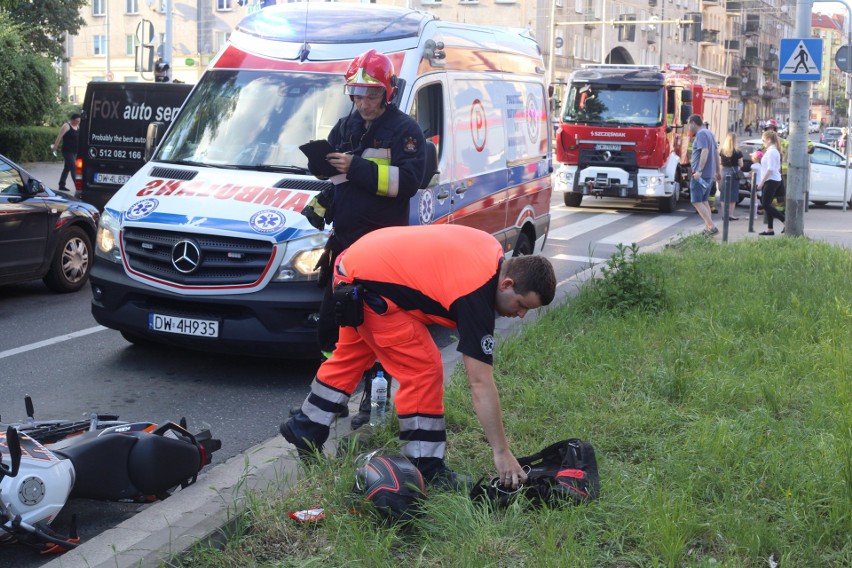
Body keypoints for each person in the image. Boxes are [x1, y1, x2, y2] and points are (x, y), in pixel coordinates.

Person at [280, 224, 557, 490]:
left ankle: (307, 425)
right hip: (368, 284)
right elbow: (480, 384)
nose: (521, 314)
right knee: (424, 370)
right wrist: (502, 452)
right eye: (522, 305)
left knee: (352, 356)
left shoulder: (490, 252)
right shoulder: (475, 294)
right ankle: (425, 464)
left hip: (354, 264)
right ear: (507, 283)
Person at [306, 49, 427, 428]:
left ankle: (373, 401)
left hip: (382, 250)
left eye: (370, 95)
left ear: (387, 92)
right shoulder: (346, 126)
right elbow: (337, 178)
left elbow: (407, 183)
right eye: (356, 94)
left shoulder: (406, 132)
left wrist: (355, 166)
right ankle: (333, 398)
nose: (363, 102)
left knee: (379, 327)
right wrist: (323, 190)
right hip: (345, 245)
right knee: (332, 326)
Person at [687, 114, 721, 236]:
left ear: (693, 123)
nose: (688, 128)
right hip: (709, 174)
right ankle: (707, 227)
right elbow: (716, 153)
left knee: (696, 201)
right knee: (704, 201)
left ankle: (711, 226)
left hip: (700, 175)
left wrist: (699, 170)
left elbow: (705, 151)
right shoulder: (709, 133)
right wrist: (717, 170)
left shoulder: (701, 134)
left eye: (688, 125)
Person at [757, 129, 784, 236]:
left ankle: (784, 220)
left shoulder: (772, 152)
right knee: (767, 204)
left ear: (768, 140)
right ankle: (770, 228)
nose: (763, 142)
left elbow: (771, 168)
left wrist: (762, 182)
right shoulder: (770, 151)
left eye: (763, 140)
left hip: (771, 180)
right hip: (771, 179)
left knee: (765, 204)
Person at [51, 113, 81, 192]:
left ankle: (61, 184)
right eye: (77, 121)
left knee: (67, 168)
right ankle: (78, 188)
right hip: (67, 151)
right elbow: (59, 136)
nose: (78, 122)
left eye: (79, 121)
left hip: (74, 151)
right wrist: (55, 146)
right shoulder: (67, 126)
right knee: (73, 168)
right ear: (72, 120)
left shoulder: (77, 126)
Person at [719, 132, 744, 220]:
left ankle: (724, 214)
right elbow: (741, 165)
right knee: (733, 193)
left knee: (723, 194)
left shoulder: (722, 151)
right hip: (734, 173)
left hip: (724, 172)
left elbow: (720, 163)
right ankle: (730, 214)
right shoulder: (737, 152)